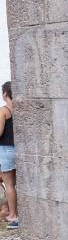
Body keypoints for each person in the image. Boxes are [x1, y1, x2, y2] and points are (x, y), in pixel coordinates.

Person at [0, 81, 17, 229]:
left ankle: (13, 215)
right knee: (14, 184)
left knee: (8, 185)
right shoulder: (19, 109)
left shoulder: (3, 110)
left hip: (4, 151)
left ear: (5, 93)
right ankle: (10, 211)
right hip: (16, 149)